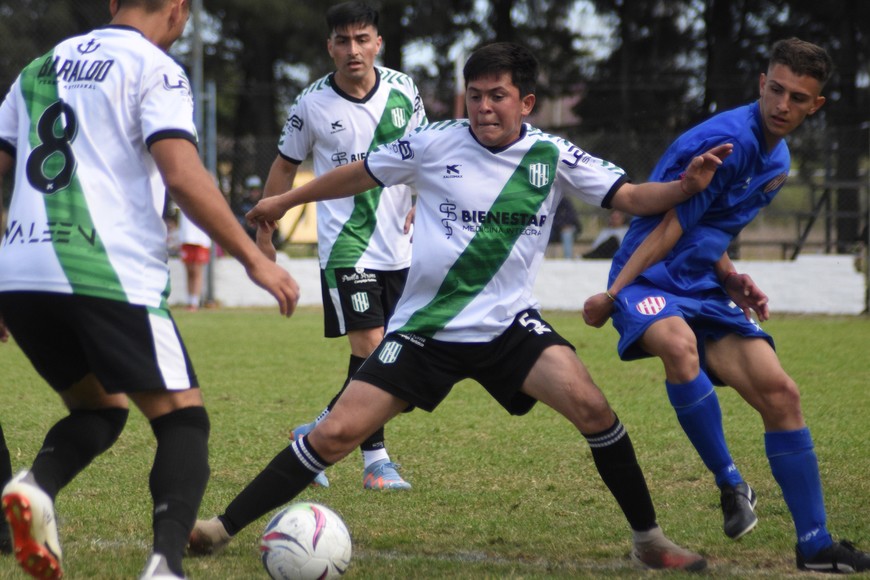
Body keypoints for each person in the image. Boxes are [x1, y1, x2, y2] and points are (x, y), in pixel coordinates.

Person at [188, 41, 733, 571]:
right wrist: (286, 199)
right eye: (474, 95)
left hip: (509, 328)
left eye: (497, 96)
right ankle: (220, 527)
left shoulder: (551, 154)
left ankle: (650, 541)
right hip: (427, 328)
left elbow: (633, 197)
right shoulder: (434, 142)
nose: (484, 107)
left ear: (526, 103)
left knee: (595, 411)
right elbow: (360, 172)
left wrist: (686, 186)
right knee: (333, 434)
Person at [0, 1, 300, 579]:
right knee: (183, 422)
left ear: (113, 2)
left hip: (21, 272)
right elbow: (182, 174)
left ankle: (36, 485)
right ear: (180, 11)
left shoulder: (40, 66)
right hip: (103, 272)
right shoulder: (155, 68)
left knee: (100, 410)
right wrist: (254, 261)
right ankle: (165, 566)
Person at [583, 38, 870, 573]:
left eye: (798, 98)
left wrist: (731, 276)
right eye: (776, 90)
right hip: (647, 276)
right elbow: (671, 223)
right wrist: (614, 293)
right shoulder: (728, 140)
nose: (783, 105)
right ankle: (731, 484)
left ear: (816, 106)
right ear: (762, 83)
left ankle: (815, 544)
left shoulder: (778, 160)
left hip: (703, 287)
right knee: (677, 343)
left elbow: (712, 227)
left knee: (782, 393)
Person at [258, 1, 427, 490]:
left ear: (378, 43)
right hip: (346, 248)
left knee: (394, 357)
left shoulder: (404, 90)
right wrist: (265, 227)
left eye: (362, 39)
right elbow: (285, 166)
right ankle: (376, 461)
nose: (353, 50)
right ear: (329, 46)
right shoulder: (311, 103)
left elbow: (425, 156)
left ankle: (317, 430)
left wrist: (425, 201)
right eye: (342, 41)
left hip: (402, 245)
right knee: (373, 347)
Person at [178, 210, 213, 311]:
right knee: (189, 270)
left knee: (196, 270)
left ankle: (195, 302)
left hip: (200, 239)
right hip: (186, 238)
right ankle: (189, 301)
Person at [235, 174, 263, 239]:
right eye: (252, 190)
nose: (255, 192)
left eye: (257, 189)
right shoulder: (242, 206)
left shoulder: (263, 203)